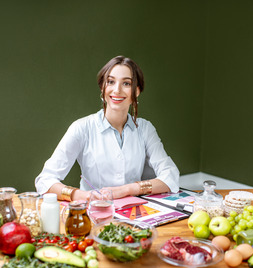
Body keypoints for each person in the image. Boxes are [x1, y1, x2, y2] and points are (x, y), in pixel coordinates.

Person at [35, 55, 179, 201]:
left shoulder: (145, 129)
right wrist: (83, 195)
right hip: (93, 213)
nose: (117, 90)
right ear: (103, 87)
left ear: (137, 91)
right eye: (110, 82)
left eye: (126, 83)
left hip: (134, 214)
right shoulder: (81, 128)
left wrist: (127, 189)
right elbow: (45, 180)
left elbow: (171, 176)